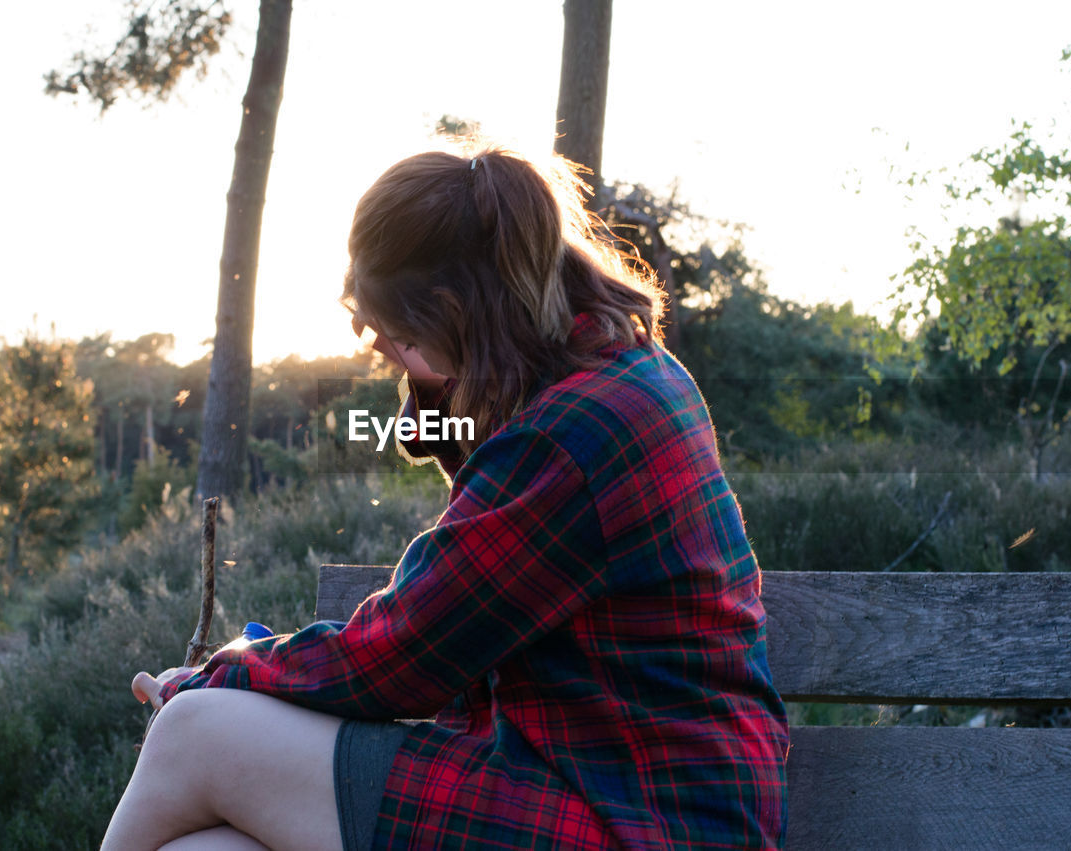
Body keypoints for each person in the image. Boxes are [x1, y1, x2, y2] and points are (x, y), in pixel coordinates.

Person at [102, 148, 789, 850]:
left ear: (458, 315)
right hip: (597, 784)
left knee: (193, 732)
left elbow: (402, 658)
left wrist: (220, 673)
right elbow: (477, 482)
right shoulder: (622, 372)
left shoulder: (571, 436)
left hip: (638, 820)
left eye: (402, 340)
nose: (398, 362)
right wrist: (428, 365)